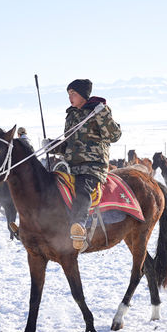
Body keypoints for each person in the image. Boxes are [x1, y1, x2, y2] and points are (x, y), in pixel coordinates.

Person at [55, 79, 122, 250]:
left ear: (83, 95)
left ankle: (79, 226)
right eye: (68, 94)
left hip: (92, 165)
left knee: (83, 187)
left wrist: (102, 114)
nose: (70, 97)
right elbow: (69, 143)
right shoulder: (71, 115)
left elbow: (114, 136)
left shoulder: (99, 110)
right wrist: (55, 146)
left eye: (73, 94)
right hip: (70, 165)